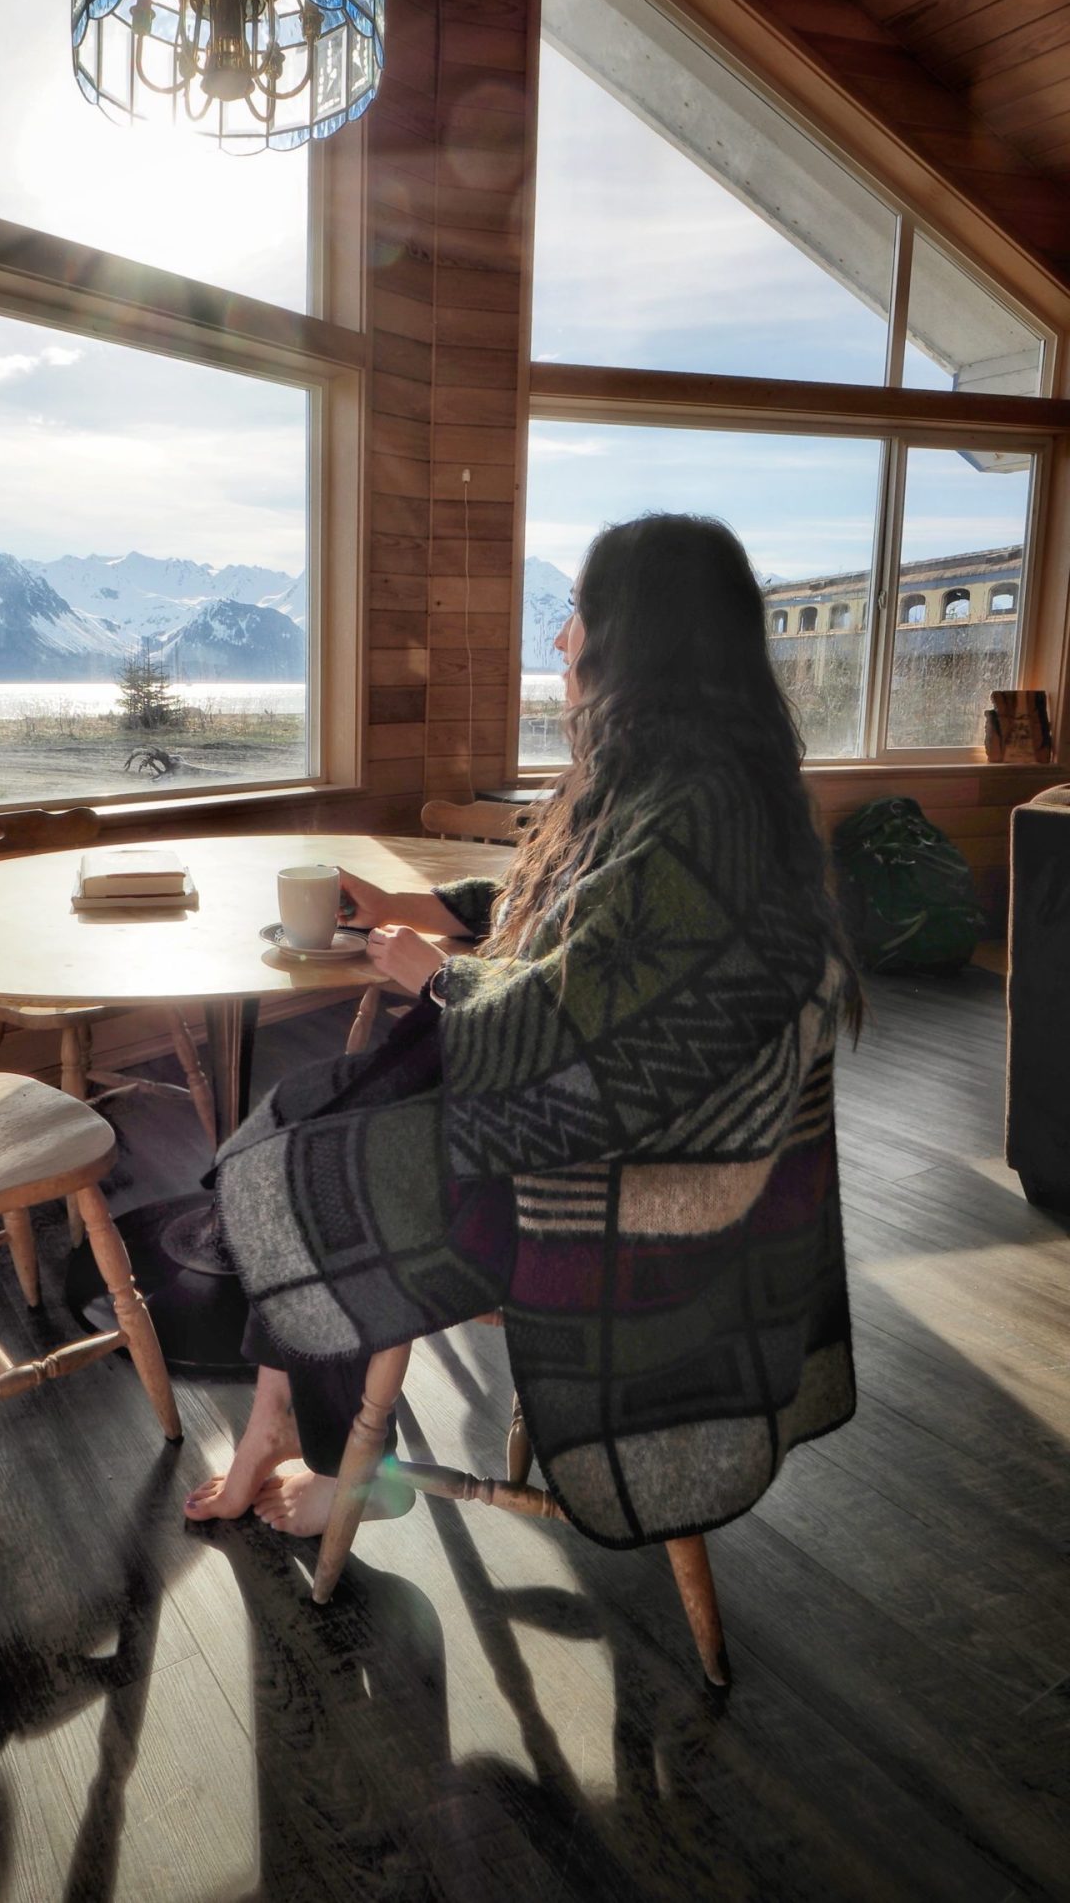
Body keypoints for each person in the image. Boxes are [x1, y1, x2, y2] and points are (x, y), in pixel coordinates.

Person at [185, 512, 858, 1549]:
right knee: (302, 1116)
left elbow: (583, 1023)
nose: (561, 638)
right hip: (598, 1119)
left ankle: (346, 1462)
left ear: (638, 636)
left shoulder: (697, 812)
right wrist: (435, 910)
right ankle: (289, 1429)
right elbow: (587, 924)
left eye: (579, 614)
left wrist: (439, 979)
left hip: (620, 1169)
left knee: (299, 1165)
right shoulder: (676, 779)